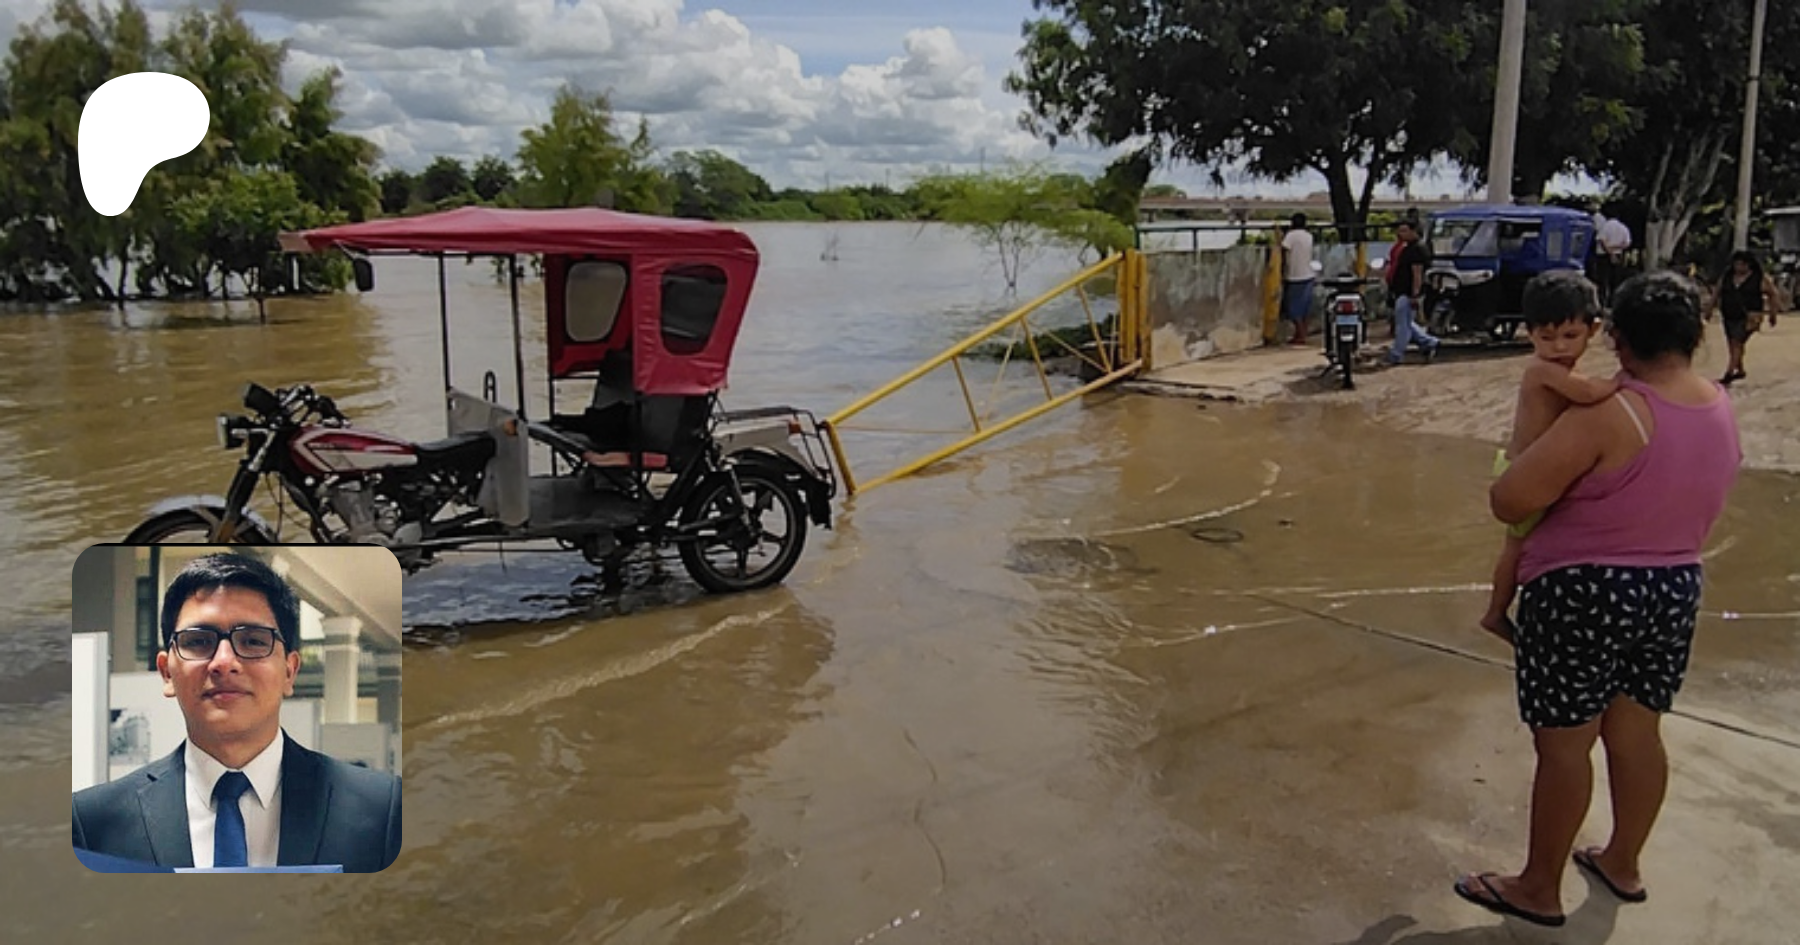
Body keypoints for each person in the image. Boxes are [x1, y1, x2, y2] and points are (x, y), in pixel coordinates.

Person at [1454, 271, 1742, 927]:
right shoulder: (1718, 405)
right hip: (1674, 586)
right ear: (1694, 334)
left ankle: (1538, 886)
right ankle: (1623, 860)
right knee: (1638, 731)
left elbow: (1511, 499)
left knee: (1565, 744)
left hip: (1584, 591)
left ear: (1616, 336)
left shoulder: (1614, 412)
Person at [73, 553, 402, 872]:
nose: (224, 662)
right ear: (166, 673)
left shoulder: (383, 809)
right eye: (198, 641)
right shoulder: (92, 821)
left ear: (289, 671)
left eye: (254, 641)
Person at [1479, 271, 1620, 642]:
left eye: (1570, 336)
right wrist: (1622, 382)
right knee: (1515, 547)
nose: (1559, 346)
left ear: (1593, 330)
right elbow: (1589, 394)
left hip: (1527, 466)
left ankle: (1503, 608)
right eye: (1546, 337)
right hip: (1522, 472)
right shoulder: (1542, 370)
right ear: (1530, 334)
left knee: (1520, 544)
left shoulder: (1560, 368)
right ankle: (1496, 612)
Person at [1707, 250, 1780, 385]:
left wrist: (1772, 314)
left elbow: (1773, 294)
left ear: (1749, 265)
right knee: (1733, 343)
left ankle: (1729, 372)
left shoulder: (1759, 278)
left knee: (1737, 341)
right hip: (1729, 314)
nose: (1739, 267)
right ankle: (1739, 369)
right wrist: (1709, 309)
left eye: (1742, 264)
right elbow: (1716, 293)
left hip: (1750, 316)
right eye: (1737, 264)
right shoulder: (1727, 277)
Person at [1387, 219, 1441, 365]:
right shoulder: (1408, 247)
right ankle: (1430, 342)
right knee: (1406, 323)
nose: (1400, 234)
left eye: (1404, 230)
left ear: (1413, 231)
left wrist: (1415, 295)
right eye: (1400, 230)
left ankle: (1396, 354)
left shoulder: (1417, 249)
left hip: (1408, 293)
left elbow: (1417, 274)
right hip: (1402, 292)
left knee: (1402, 325)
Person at [1280, 213, 1316, 345]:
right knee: (1304, 308)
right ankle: (1302, 333)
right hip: (1308, 274)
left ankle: (1300, 335)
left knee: (1293, 308)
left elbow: (1283, 250)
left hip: (1295, 275)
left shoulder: (1291, 236)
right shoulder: (1309, 236)